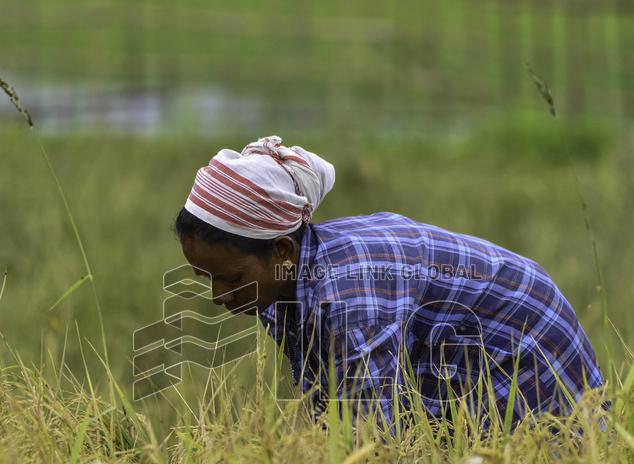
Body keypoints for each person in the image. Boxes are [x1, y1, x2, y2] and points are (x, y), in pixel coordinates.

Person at [175, 136, 604, 435]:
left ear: (283, 251)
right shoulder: (277, 289)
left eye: (230, 278)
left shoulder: (348, 298)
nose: (218, 297)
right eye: (206, 278)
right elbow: (326, 400)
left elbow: (367, 438)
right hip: (460, 349)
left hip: (522, 346)